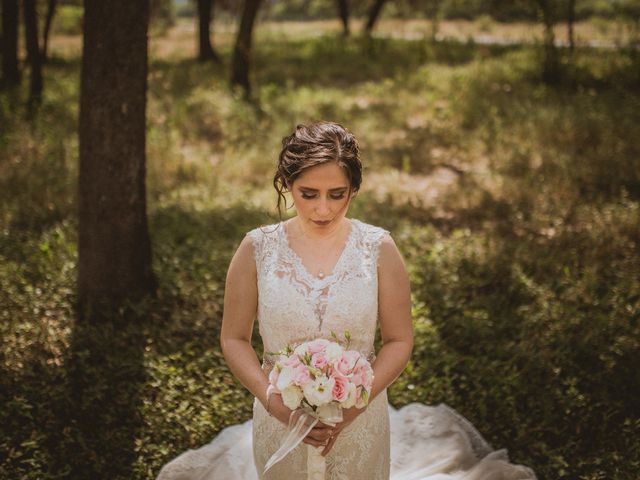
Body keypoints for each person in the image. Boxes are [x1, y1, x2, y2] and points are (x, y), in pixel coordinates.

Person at [156, 121, 537, 480]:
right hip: (279, 417)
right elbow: (234, 338)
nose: (324, 208)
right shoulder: (257, 248)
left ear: (353, 190)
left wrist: (354, 408)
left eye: (337, 194)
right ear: (287, 185)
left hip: (360, 419)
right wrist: (275, 405)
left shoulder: (379, 248)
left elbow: (399, 340)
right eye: (309, 194)